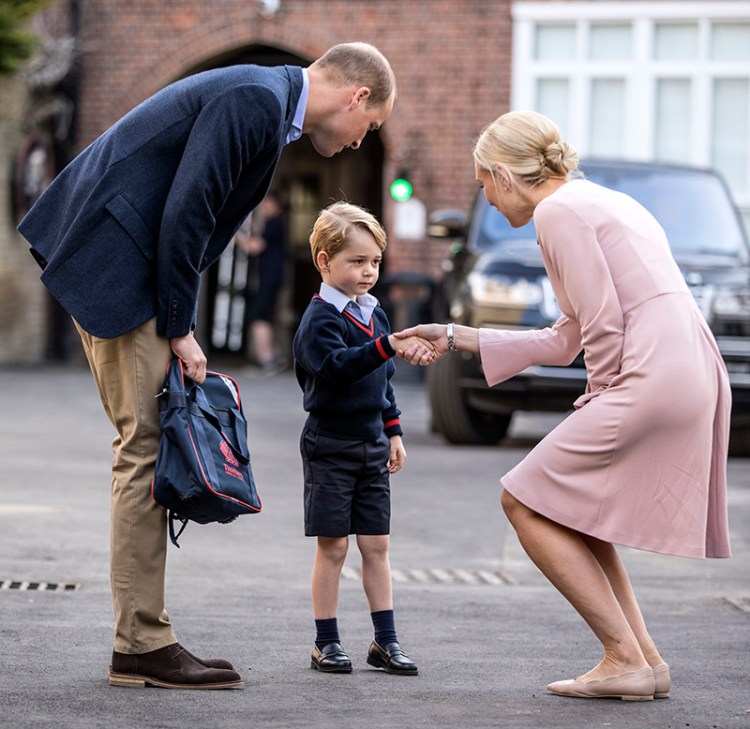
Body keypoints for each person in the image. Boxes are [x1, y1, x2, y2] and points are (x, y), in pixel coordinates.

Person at [16, 42, 396, 690]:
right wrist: (179, 325)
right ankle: (140, 642)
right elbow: (187, 212)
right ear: (357, 97)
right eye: (373, 126)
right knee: (143, 447)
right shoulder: (257, 99)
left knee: (141, 444)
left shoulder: (267, 101)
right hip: (122, 267)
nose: (364, 141)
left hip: (122, 262)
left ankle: (141, 638)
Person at [397, 110, 731, 701]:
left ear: (503, 174)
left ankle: (623, 656)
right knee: (578, 512)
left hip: (648, 374)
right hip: (688, 367)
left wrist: (598, 396)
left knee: (522, 499)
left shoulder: (557, 212)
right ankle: (644, 661)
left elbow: (600, 326)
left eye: (482, 187)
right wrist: (453, 335)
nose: (490, 204)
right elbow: (564, 335)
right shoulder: (601, 201)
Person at [293, 202, 432, 676]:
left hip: (372, 444)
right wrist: (385, 346)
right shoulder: (319, 321)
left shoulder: (375, 315)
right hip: (329, 444)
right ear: (324, 262)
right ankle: (325, 642)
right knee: (333, 547)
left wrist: (394, 432)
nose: (369, 271)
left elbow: (383, 381)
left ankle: (385, 641)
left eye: (375, 260)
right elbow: (338, 368)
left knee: (376, 546)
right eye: (356, 261)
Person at [233, 192, 288, 374]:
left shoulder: (274, 224)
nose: (264, 207)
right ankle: (272, 356)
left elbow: (253, 247)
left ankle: (267, 360)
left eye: (268, 203)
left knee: (258, 316)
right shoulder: (272, 224)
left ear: (277, 206)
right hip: (270, 278)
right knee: (263, 316)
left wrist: (233, 233)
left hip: (269, 278)